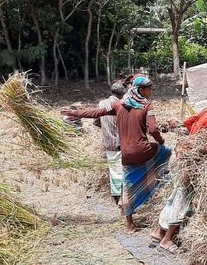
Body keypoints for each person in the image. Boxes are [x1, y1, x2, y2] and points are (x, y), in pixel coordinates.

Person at [62, 76, 171, 232]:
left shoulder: (119, 105)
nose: (151, 91)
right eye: (149, 88)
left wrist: (75, 112)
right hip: (144, 150)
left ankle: (130, 225)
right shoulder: (147, 106)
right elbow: (153, 130)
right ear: (141, 90)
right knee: (168, 153)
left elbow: (96, 112)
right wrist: (161, 141)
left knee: (127, 185)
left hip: (126, 153)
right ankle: (152, 186)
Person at [151, 84, 207, 253]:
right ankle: (167, 239)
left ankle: (158, 232)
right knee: (183, 200)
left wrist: (196, 137)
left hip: (178, 156)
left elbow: (187, 123)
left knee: (174, 195)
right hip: (188, 163)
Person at [95, 81, 127, 206]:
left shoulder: (102, 103)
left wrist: (106, 127)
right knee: (123, 170)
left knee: (114, 171)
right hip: (122, 142)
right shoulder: (122, 104)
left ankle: (117, 198)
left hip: (108, 142)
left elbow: (97, 121)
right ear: (122, 93)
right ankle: (122, 198)